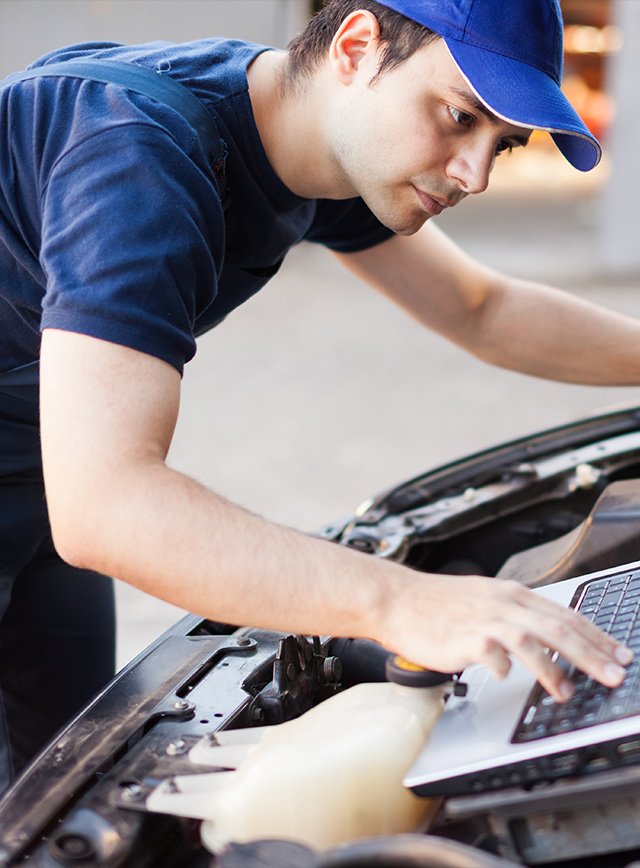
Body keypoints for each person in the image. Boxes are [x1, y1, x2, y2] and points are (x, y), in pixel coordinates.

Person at [0, 0, 638, 792]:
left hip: (44, 471)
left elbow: (484, 311)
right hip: (75, 484)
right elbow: (107, 506)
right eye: (458, 116)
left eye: (500, 146)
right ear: (358, 46)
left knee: (59, 788)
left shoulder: (316, 138)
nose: (473, 173)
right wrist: (403, 602)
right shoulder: (140, 158)